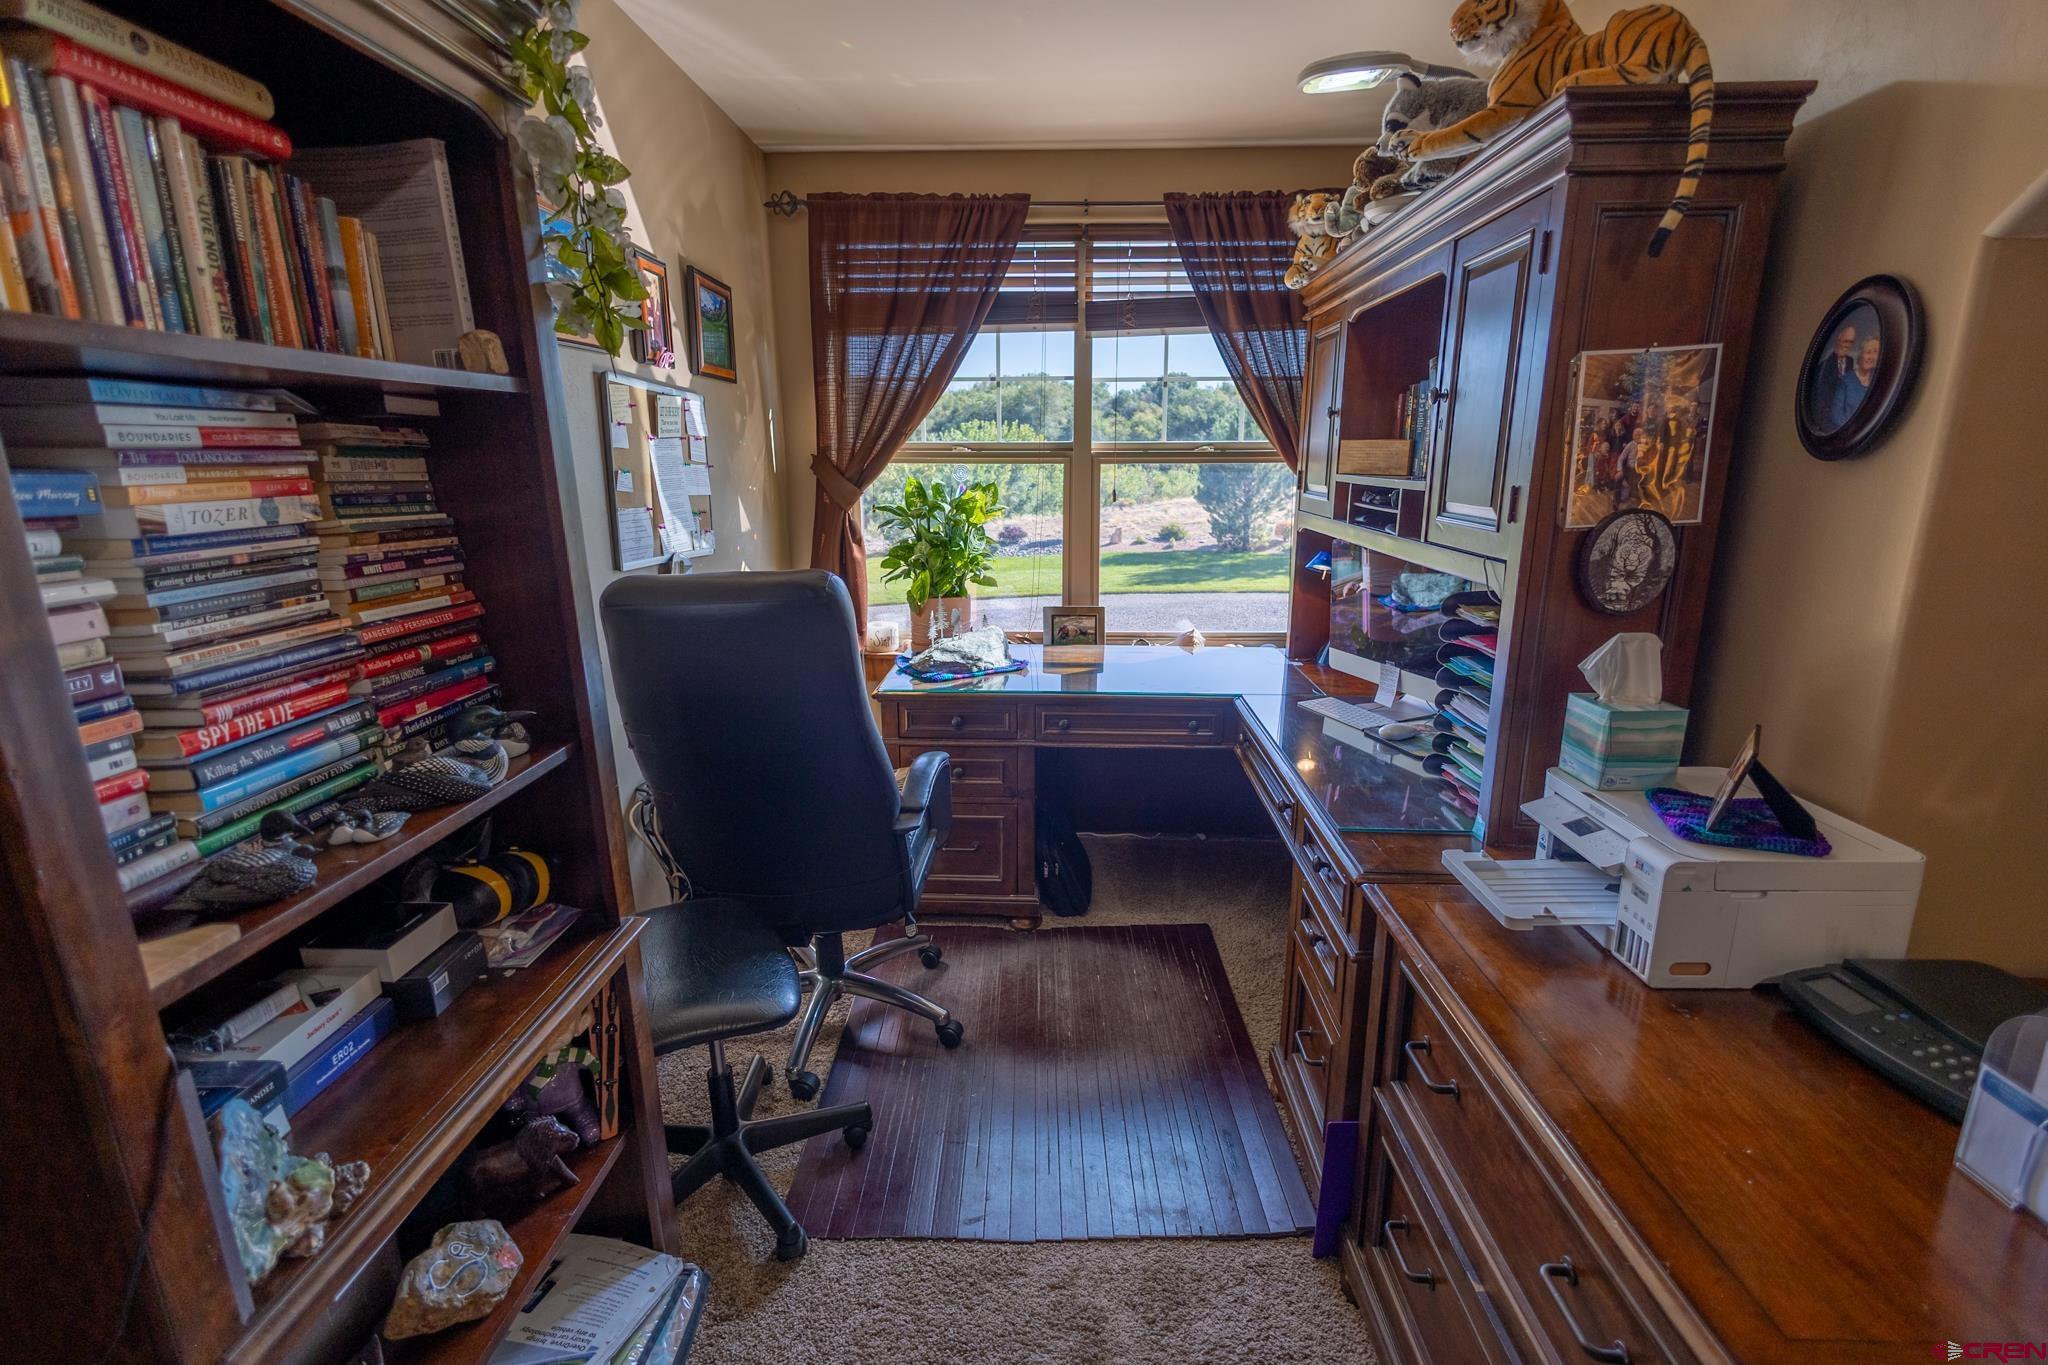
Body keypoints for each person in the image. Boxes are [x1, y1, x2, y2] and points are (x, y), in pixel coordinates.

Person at [1824, 323, 1864, 428]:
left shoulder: (1850, 361)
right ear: (1838, 338)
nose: (1848, 345)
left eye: (1851, 342)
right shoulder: (1825, 364)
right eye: (1845, 341)